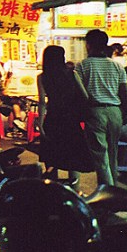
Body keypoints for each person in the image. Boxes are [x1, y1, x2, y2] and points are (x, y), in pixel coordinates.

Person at [74, 29, 127, 187]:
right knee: (112, 155)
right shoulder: (117, 67)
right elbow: (125, 96)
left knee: (100, 157)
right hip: (115, 113)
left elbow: (79, 94)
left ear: (88, 45)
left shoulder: (83, 66)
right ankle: (113, 190)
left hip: (95, 112)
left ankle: (108, 195)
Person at [37, 46, 94, 191]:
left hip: (53, 118)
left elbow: (42, 102)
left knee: (52, 154)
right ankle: (75, 190)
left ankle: (52, 189)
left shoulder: (42, 77)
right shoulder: (72, 74)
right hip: (70, 118)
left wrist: (40, 123)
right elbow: (85, 96)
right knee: (72, 154)